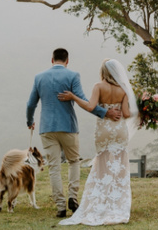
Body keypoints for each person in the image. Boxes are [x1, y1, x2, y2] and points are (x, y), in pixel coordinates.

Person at [26, 48, 122, 218]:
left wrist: (29, 121)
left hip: (47, 128)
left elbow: (30, 104)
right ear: (67, 60)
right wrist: (105, 113)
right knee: (73, 162)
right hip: (68, 126)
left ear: (52, 59)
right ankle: (73, 197)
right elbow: (84, 101)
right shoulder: (72, 76)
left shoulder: (39, 77)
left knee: (54, 167)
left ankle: (60, 206)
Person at [57, 58, 138, 226]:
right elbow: (127, 114)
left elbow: (90, 106)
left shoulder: (98, 87)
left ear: (103, 72)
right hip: (120, 130)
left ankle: (101, 201)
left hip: (104, 130)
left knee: (102, 165)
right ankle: (117, 203)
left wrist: (73, 97)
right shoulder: (123, 90)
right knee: (119, 166)